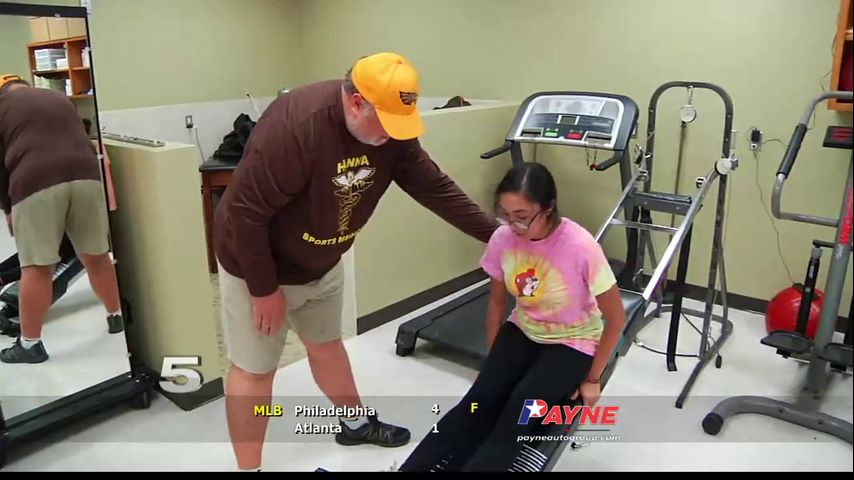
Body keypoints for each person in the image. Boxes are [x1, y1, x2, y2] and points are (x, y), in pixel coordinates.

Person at [212, 52, 497, 471]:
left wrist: (497, 236)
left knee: (327, 346)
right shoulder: (297, 128)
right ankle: (249, 468)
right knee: (255, 371)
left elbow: (434, 187)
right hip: (257, 264)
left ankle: (355, 424)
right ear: (356, 102)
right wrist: (264, 289)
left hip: (322, 261)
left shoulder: (393, 134)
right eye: (384, 122)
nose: (390, 134)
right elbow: (245, 214)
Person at [399, 162, 627, 472]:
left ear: (548, 207)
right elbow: (496, 303)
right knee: (475, 404)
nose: (513, 225)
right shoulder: (502, 238)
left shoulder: (580, 246)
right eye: (505, 215)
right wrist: (494, 365)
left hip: (573, 342)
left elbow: (615, 318)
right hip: (523, 329)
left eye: (522, 216)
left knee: (518, 414)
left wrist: (592, 379)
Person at [0, 74, 124, 364]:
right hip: (86, 176)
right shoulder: (58, 97)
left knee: (37, 267)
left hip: (34, 181)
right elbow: (84, 132)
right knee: (97, 256)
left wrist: (8, 208)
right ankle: (116, 316)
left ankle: (30, 345)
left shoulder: (2, 106)